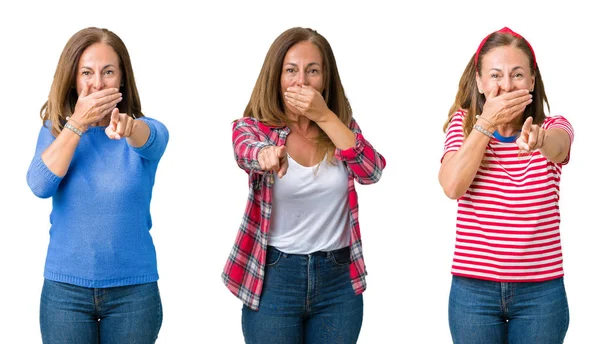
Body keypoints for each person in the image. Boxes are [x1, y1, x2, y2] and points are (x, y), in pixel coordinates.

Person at [221, 27, 386, 343]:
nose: (302, 81)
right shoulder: (252, 128)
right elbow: (246, 151)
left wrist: (325, 117)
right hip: (275, 277)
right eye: (291, 71)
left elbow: (372, 171)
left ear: (325, 79)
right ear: (276, 77)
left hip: (338, 279)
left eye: (313, 71)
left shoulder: (342, 128)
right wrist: (266, 155)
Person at [26, 27, 168, 343]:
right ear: (73, 79)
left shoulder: (143, 131)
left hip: (133, 293)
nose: (97, 83)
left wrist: (130, 128)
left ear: (121, 79)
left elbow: (152, 141)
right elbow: (39, 184)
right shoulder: (55, 132)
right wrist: (77, 125)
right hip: (65, 293)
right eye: (87, 72)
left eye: (108, 72)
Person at [439, 27, 573, 343]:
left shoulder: (554, 127)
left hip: (541, 292)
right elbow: (452, 186)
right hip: (473, 291)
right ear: (481, 82)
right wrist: (485, 124)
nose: (506, 86)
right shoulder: (464, 125)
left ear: (532, 81)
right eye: (496, 76)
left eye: (517, 75)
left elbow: (559, 147)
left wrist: (539, 142)